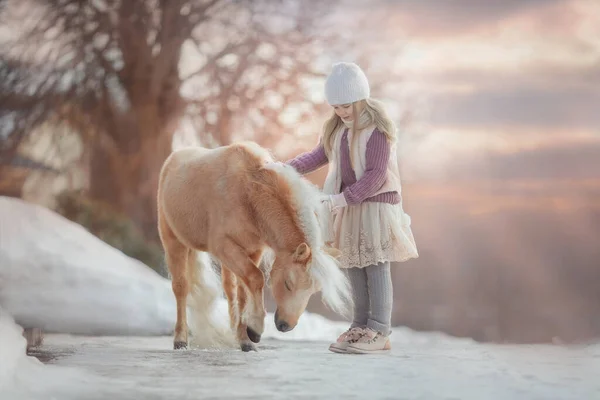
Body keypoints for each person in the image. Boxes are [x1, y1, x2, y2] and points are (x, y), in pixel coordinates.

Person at [284, 62, 418, 354]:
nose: (342, 112)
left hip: (375, 206)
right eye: (336, 107)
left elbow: (376, 176)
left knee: (375, 265)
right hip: (349, 205)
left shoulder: (377, 130)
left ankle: (380, 329)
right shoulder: (335, 129)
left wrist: (338, 199)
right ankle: (360, 325)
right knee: (354, 266)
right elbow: (316, 156)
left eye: (346, 106)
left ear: (361, 99)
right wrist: (284, 170)